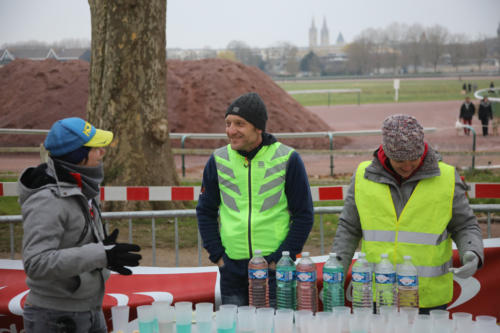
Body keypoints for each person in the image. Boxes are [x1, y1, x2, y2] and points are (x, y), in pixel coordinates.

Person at [331, 114, 484, 314]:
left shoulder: (446, 177)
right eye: (399, 160)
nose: (407, 166)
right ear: (385, 152)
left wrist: (471, 252)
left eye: (414, 159)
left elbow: (465, 225)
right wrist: (337, 268)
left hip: (428, 300)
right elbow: (349, 228)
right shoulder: (363, 176)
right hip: (379, 295)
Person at [19, 117, 142, 332]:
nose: (102, 152)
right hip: (55, 318)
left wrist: (104, 255)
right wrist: (100, 255)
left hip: (89, 309)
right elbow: (36, 263)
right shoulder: (47, 200)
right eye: (95, 148)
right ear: (77, 156)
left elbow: (77, 246)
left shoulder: (83, 188)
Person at [196, 92, 314, 306]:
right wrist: (218, 256)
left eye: (239, 124)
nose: (231, 130)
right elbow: (205, 211)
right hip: (231, 270)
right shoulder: (218, 159)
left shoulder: (287, 158)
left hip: (274, 270)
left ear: (258, 127)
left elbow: (304, 215)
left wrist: (280, 260)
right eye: (228, 123)